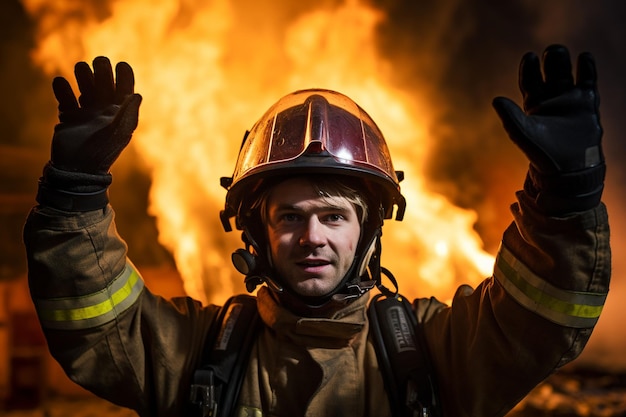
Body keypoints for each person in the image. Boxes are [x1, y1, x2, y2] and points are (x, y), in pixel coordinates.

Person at [24, 44, 611, 417]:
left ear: (369, 231)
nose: (313, 238)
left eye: (334, 216)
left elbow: (539, 321)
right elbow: (97, 328)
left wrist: (564, 199)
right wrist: (74, 189)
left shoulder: (434, 351)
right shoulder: (200, 352)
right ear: (255, 233)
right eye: (289, 216)